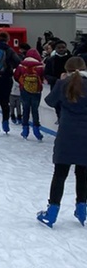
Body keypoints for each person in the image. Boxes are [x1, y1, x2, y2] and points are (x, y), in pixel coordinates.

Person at [37, 57, 87, 228]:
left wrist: (62, 80)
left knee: (60, 174)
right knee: (83, 174)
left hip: (67, 134)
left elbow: (49, 101)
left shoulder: (62, 84)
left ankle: (52, 212)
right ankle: (82, 209)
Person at [14, 49, 46, 141]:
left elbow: (16, 76)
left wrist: (22, 83)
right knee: (35, 110)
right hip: (37, 91)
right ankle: (37, 131)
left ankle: (25, 131)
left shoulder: (21, 65)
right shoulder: (40, 66)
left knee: (25, 109)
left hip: (24, 90)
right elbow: (43, 77)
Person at [44, 40, 71, 123]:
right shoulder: (51, 60)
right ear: (55, 49)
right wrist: (55, 80)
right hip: (56, 85)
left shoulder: (72, 58)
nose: (61, 49)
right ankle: (59, 117)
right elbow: (46, 74)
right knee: (57, 103)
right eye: (59, 48)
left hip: (70, 85)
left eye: (63, 47)